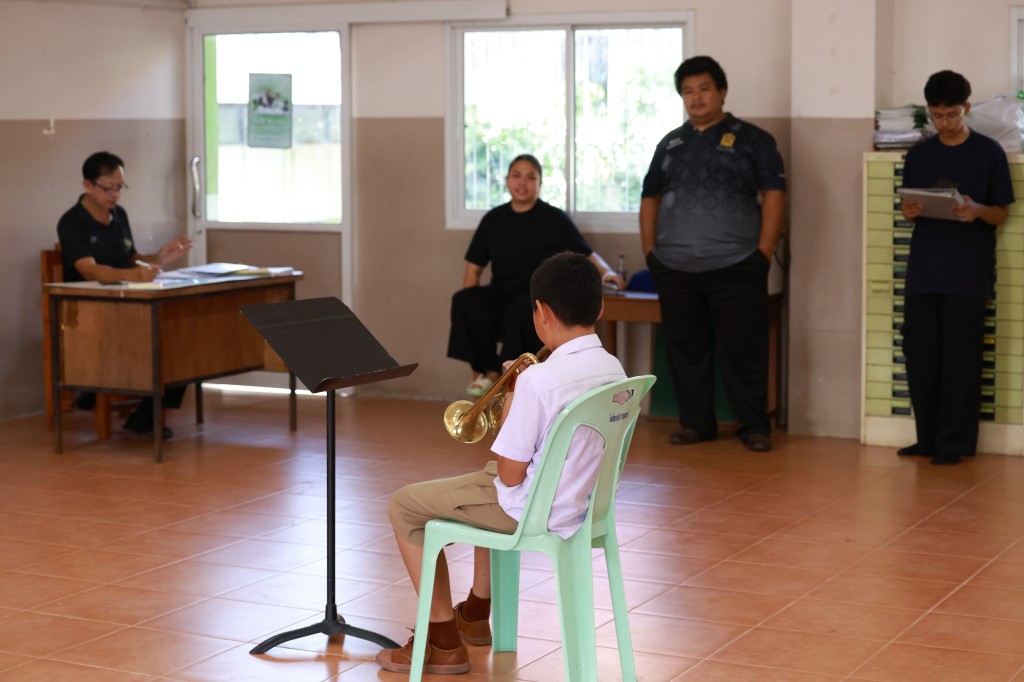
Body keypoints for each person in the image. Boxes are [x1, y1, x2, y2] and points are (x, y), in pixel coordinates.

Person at [378, 252, 626, 675]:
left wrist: (514, 398)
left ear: (541, 312)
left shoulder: (539, 380)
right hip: (583, 505)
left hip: (532, 512)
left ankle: (442, 643)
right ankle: (476, 614)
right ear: (600, 308)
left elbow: (511, 476)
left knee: (404, 505)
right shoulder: (612, 368)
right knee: (486, 478)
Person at [639, 55, 786, 452]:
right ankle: (695, 425)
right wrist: (651, 253)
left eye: (704, 88)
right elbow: (649, 198)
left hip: (737, 264)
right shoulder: (670, 144)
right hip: (674, 267)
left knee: (745, 349)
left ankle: (754, 427)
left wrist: (763, 252)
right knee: (686, 351)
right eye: (688, 91)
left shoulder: (753, 139)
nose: (696, 97)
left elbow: (775, 193)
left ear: (722, 91)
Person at [898, 71, 1014, 466]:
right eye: (937, 116)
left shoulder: (989, 153)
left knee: (961, 360)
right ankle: (927, 438)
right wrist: (910, 210)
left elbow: (1000, 213)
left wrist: (978, 210)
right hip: (924, 270)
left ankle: (954, 442)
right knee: (920, 356)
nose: (944, 123)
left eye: (951, 115)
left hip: (967, 271)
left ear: (966, 107)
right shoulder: (919, 155)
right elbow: (908, 210)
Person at [448, 154, 625, 398]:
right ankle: (486, 371)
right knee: (464, 300)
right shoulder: (493, 219)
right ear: (507, 181)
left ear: (539, 184)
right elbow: (473, 269)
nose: (523, 182)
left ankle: (508, 378)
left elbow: (586, 253)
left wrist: (608, 273)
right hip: (500, 292)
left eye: (531, 177)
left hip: (535, 296)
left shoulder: (553, 218)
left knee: (518, 308)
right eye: (516, 176)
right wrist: (474, 314)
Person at [56, 151, 194, 438]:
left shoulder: (119, 216)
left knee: (178, 337)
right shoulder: (71, 222)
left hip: (128, 301)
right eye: (108, 188)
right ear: (87, 185)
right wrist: (133, 275)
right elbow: (89, 270)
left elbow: (131, 258)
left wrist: (158, 257)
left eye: (120, 187)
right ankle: (97, 393)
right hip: (89, 310)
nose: (115, 194)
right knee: (155, 340)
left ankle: (145, 416)